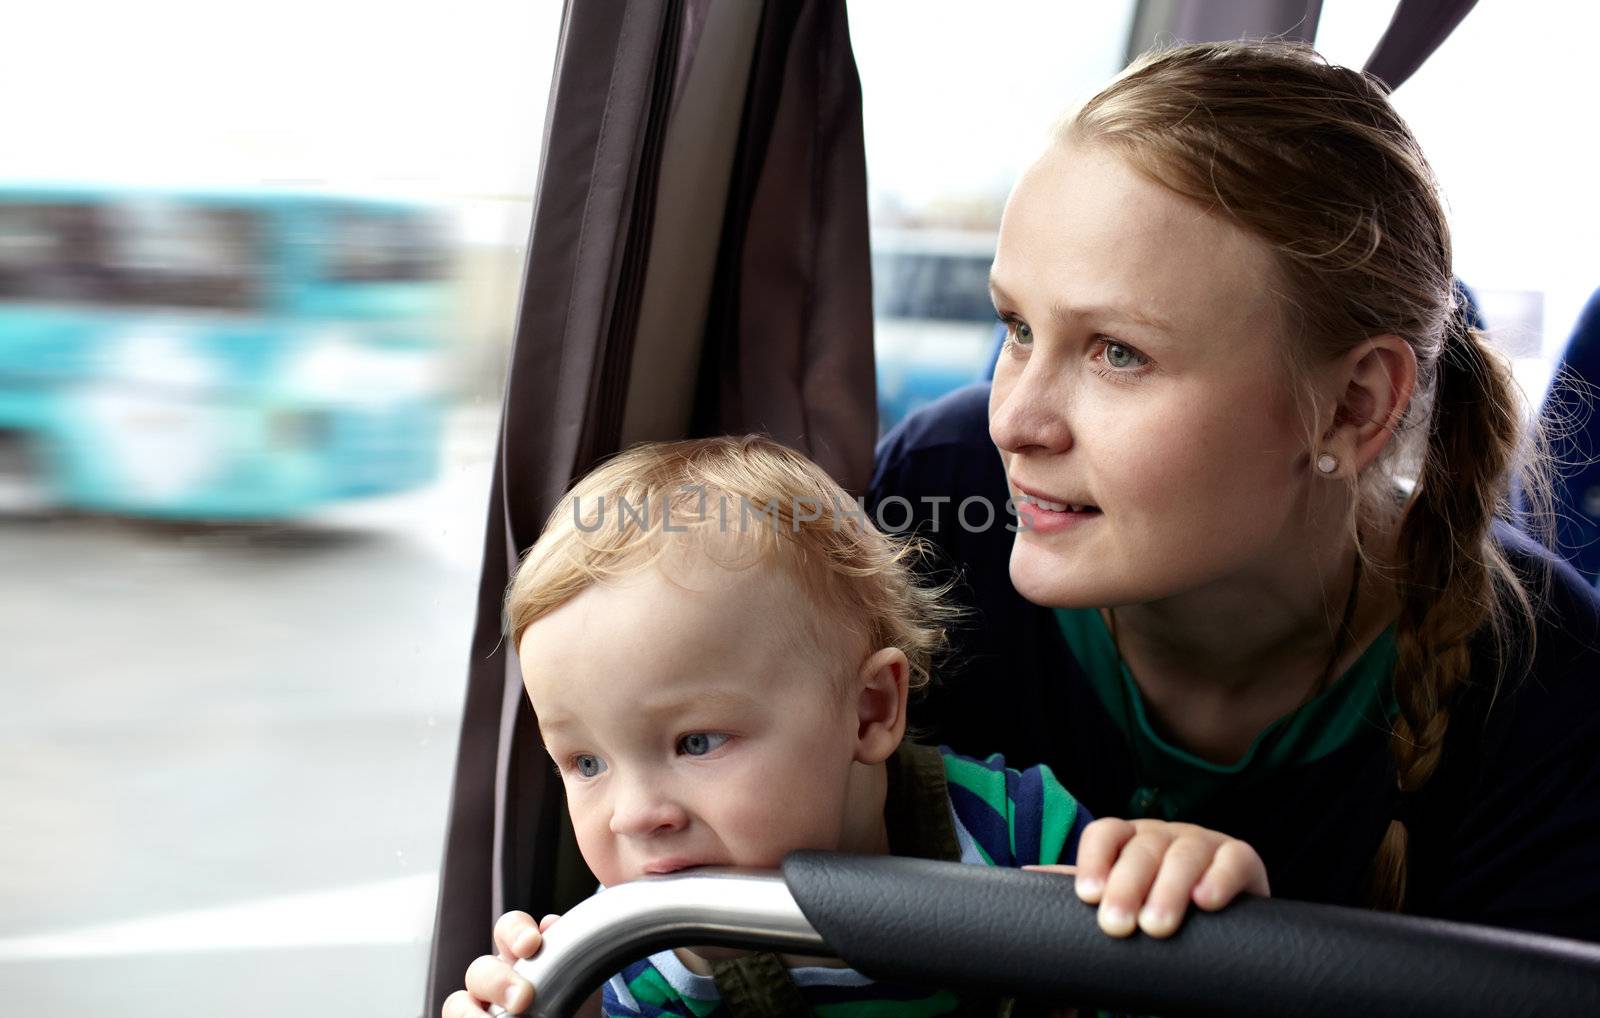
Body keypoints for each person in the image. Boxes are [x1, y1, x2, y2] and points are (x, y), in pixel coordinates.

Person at [870, 39, 1600, 939]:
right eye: (1017, 328)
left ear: (1352, 406)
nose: (1014, 422)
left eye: (1119, 353)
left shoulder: (1549, 693)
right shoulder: (937, 495)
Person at [443, 436, 1269, 1018]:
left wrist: (1176, 903)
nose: (633, 815)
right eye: (585, 763)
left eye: (696, 742)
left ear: (871, 710)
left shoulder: (1022, 835)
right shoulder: (652, 961)